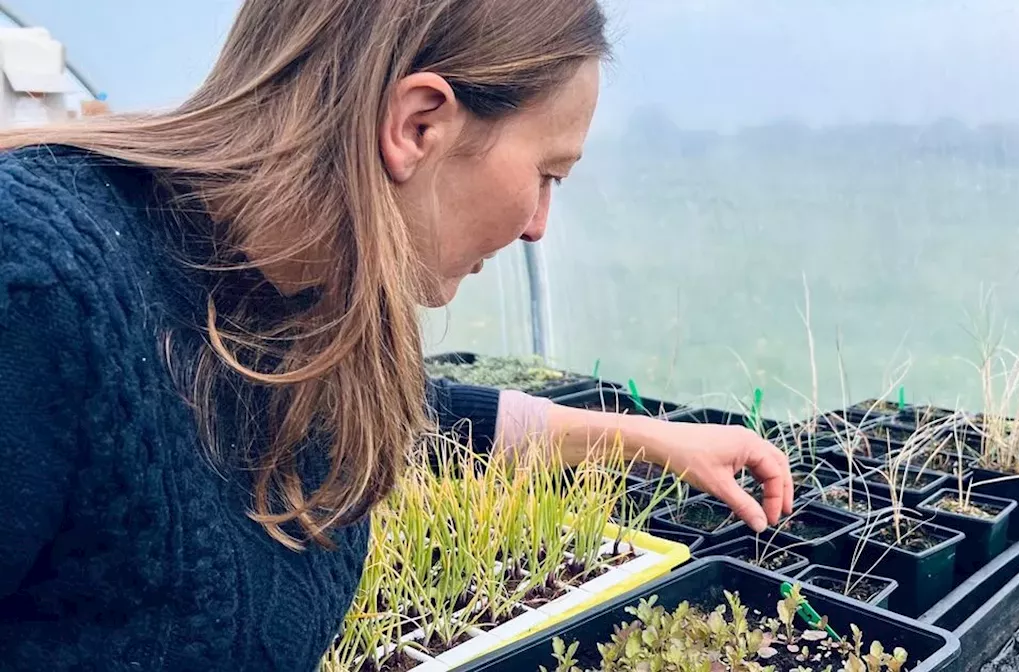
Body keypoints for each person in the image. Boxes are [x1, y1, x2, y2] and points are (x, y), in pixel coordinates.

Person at [0, 1, 794, 670]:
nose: (539, 228)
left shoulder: (283, 298)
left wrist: (656, 441)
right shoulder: (36, 288)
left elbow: (421, 416)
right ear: (418, 125)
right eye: (548, 174)